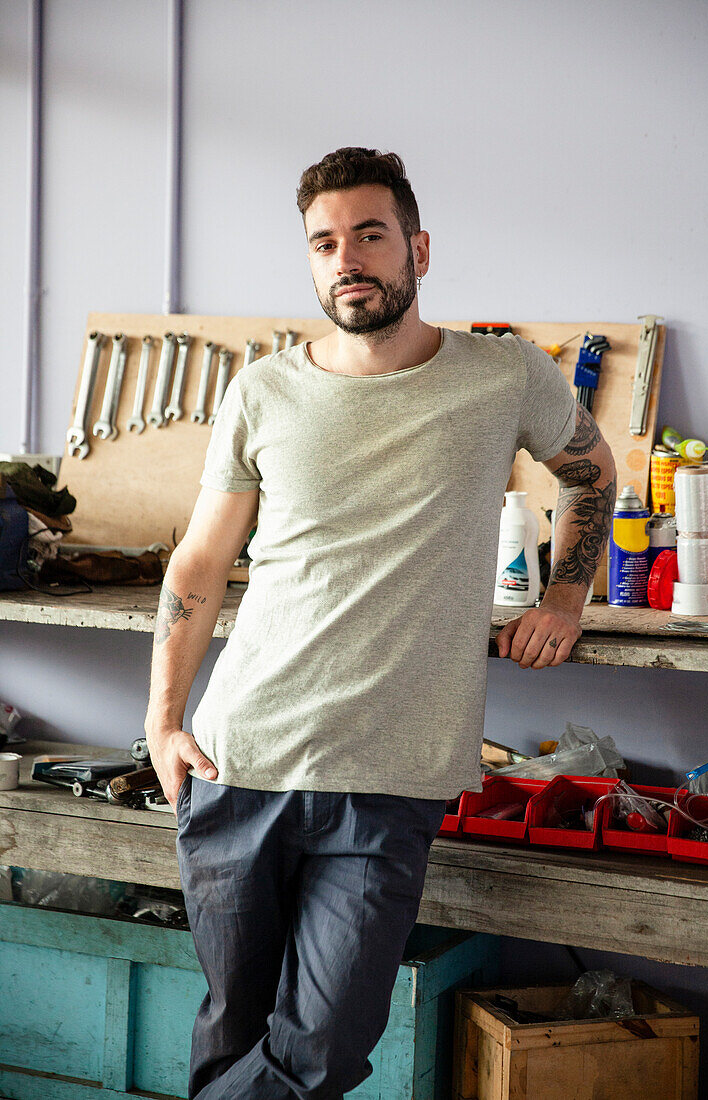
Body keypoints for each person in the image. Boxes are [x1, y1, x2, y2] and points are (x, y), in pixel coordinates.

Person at [145, 147, 616, 1099]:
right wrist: (161, 719)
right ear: (312, 262)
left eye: (369, 234)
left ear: (418, 249)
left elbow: (591, 472)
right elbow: (198, 564)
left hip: (390, 773)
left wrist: (565, 597)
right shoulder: (263, 390)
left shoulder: (504, 376)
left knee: (321, 1050)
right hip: (241, 759)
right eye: (325, 242)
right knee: (234, 1027)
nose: (347, 258)